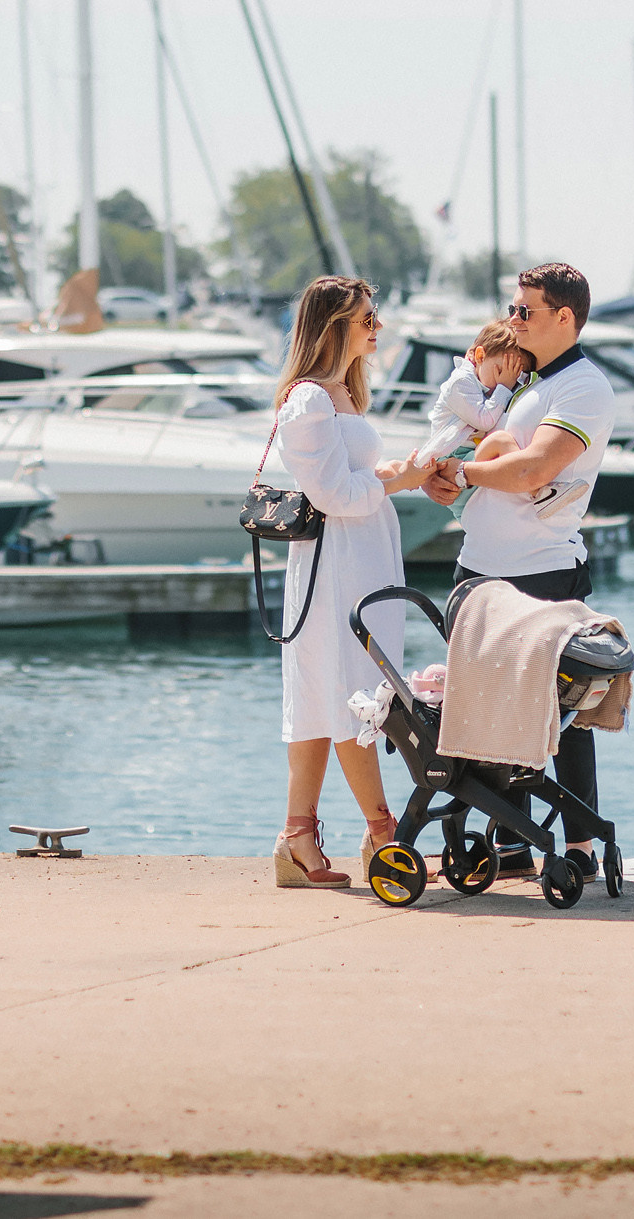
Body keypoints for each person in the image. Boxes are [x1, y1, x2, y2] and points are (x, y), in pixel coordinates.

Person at [423, 262, 616, 877]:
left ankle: (581, 845)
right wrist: (448, 483)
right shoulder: (524, 380)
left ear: (565, 317)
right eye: (512, 308)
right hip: (478, 570)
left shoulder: (584, 387)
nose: (512, 320)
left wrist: (463, 472)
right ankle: (509, 844)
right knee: (484, 706)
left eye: (524, 311)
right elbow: (488, 457)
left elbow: (535, 469)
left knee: (567, 713)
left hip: (541, 573)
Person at [268, 275, 440, 887]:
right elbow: (334, 493)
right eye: (367, 318)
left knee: (326, 694)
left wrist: (405, 472)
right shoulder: (310, 400)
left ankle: (299, 837)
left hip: (358, 556)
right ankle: (383, 833)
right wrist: (404, 477)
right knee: (352, 694)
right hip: (335, 564)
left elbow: (354, 475)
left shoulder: (341, 393)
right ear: (334, 324)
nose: (378, 327)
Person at [409, 319, 532, 470]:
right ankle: (533, 485)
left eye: (515, 378)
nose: (509, 381)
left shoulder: (486, 384)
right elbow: (483, 421)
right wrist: (504, 387)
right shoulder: (461, 382)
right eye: (501, 371)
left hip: (469, 452)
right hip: (452, 454)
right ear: (480, 356)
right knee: (501, 442)